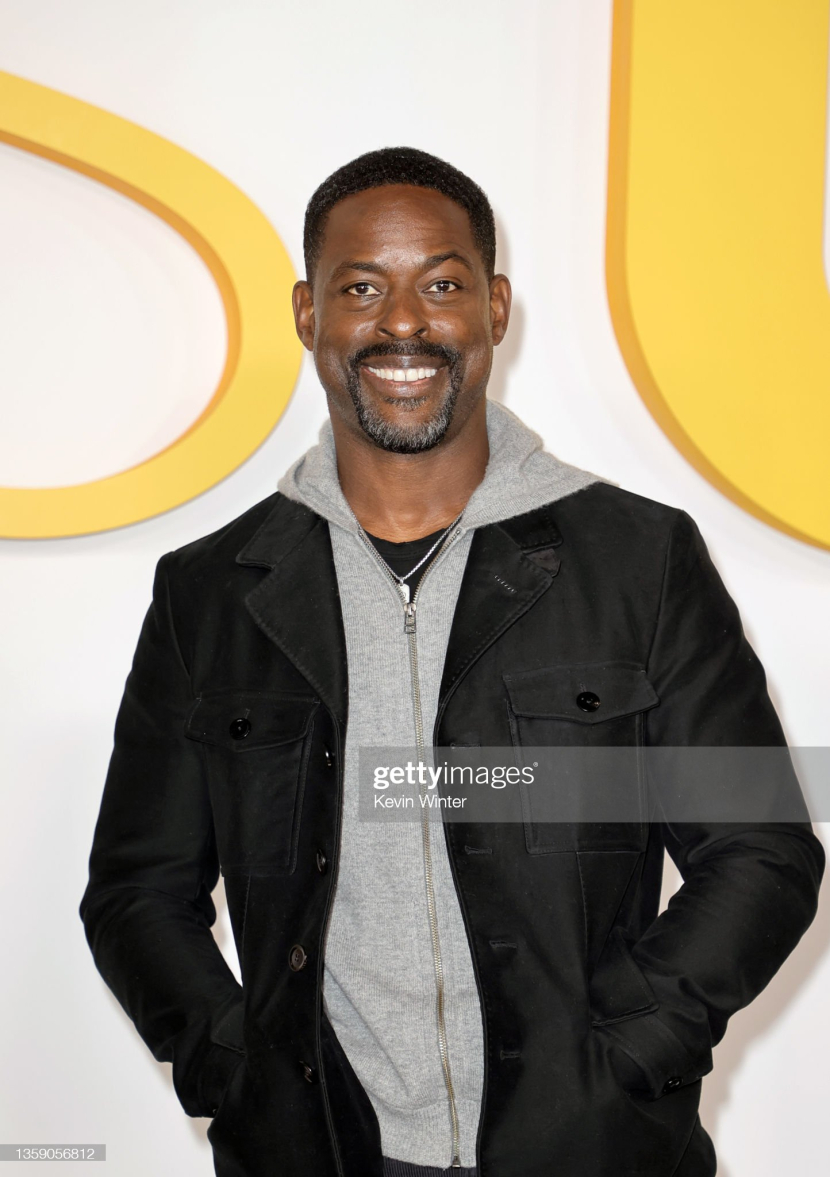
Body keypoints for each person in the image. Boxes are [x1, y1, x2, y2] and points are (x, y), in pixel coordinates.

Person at [80, 147, 824, 1177]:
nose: (401, 323)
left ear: (494, 308)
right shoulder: (209, 592)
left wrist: (625, 1052)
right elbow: (136, 890)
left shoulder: (638, 560)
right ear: (308, 313)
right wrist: (232, 1068)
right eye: (360, 288)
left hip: (589, 1151)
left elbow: (761, 849)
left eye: (439, 284)